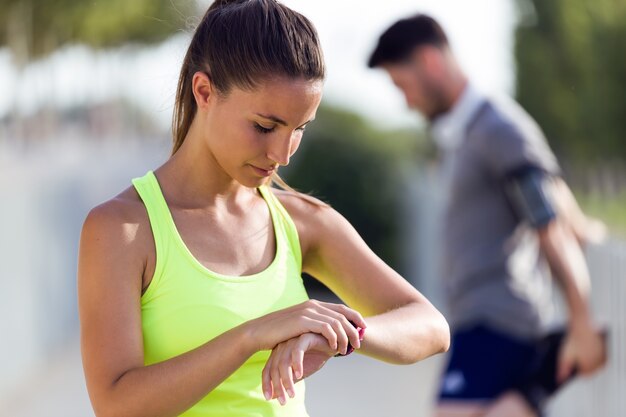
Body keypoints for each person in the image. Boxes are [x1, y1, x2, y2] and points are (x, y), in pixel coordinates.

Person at [77, 2, 450, 416]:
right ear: (204, 91)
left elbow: (429, 326)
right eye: (265, 127)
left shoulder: (303, 222)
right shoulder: (122, 228)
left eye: (299, 129)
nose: (282, 154)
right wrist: (249, 336)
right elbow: (115, 406)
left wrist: (334, 336)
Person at [368, 14, 607, 417]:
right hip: (479, 320)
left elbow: (546, 221)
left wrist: (581, 325)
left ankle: (537, 386)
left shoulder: (498, 127)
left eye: (402, 85)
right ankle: (532, 392)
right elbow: (548, 188)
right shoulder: (466, 132)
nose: (406, 101)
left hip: (498, 320)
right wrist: (579, 219)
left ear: (429, 61)